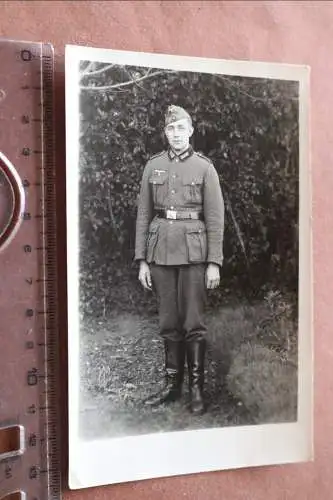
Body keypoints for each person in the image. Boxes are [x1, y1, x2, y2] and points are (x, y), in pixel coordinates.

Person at [135, 105, 225, 415]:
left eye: (181, 128)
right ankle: (172, 386)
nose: (176, 134)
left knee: (193, 323)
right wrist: (143, 260)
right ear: (165, 132)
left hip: (194, 253)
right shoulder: (153, 166)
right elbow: (144, 215)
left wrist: (214, 262)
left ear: (190, 131)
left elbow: (215, 218)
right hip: (160, 253)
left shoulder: (204, 168)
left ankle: (196, 389)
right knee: (168, 321)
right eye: (171, 129)